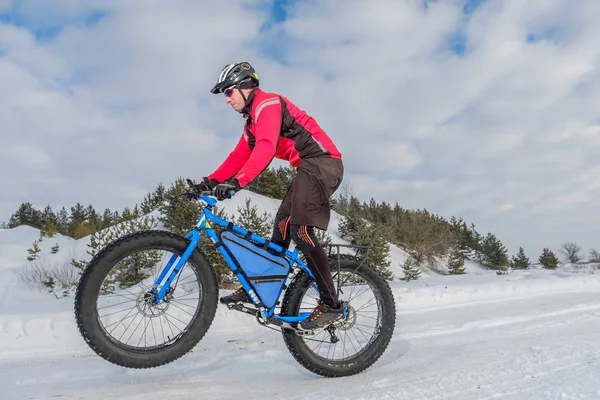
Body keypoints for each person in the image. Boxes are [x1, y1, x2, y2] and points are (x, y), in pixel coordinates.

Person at [192, 61, 345, 331]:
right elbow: (238, 156)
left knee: (301, 230)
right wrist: (208, 182)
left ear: (244, 87)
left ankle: (331, 305)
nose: (226, 100)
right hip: (307, 168)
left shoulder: (268, 104)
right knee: (282, 229)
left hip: (323, 163)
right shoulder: (253, 123)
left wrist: (239, 183)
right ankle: (262, 288)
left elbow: (265, 147)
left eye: (228, 92)